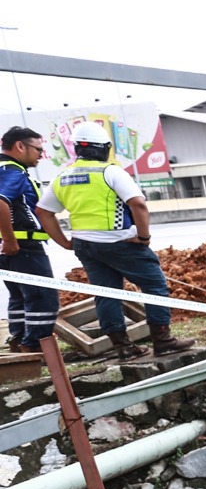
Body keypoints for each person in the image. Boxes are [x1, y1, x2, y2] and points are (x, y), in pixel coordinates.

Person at [35, 122, 194, 358]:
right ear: (104, 148)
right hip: (120, 243)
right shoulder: (110, 172)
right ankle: (162, 340)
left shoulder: (63, 177)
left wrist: (65, 242)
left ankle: (123, 347)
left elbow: (43, 212)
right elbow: (138, 204)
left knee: (107, 293)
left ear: (78, 149)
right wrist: (144, 236)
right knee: (154, 286)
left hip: (85, 245)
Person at [1, 127, 65, 353]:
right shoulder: (12, 171)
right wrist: (10, 240)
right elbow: (1, 201)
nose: (41, 154)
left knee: (19, 297)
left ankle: (18, 343)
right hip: (22, 246)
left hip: (9, 248)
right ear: (20, 146)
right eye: (38, 149)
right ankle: (34, 347)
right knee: (42, 298)